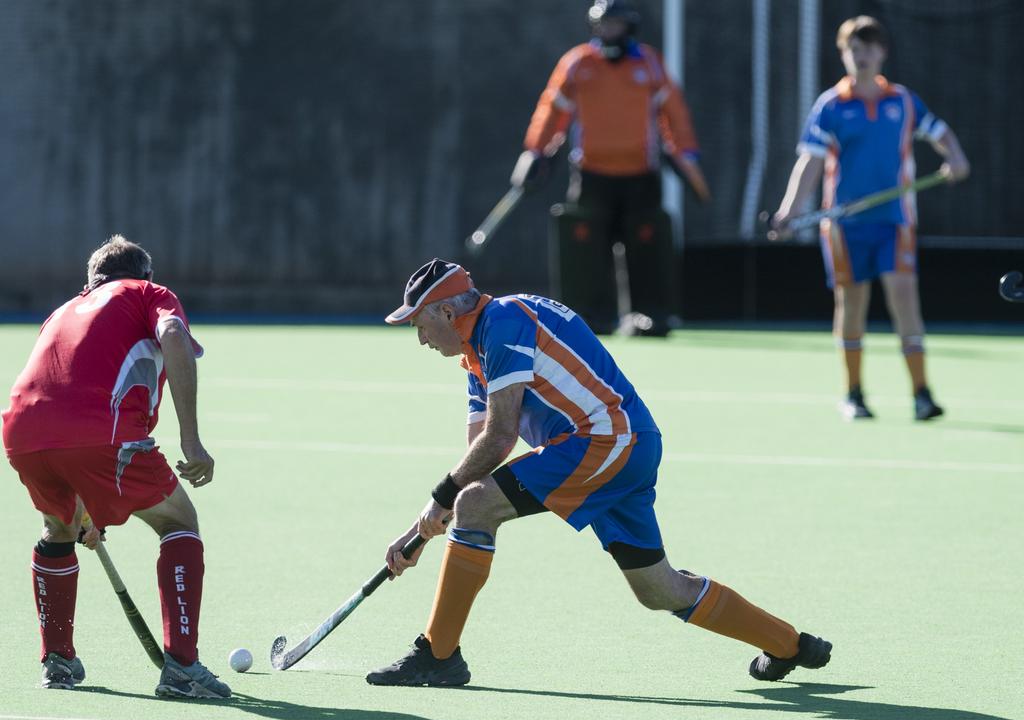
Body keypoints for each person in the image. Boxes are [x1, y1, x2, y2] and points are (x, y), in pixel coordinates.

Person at [367, 258, 831, 686]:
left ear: (447, 312)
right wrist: (421, 531)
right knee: (658, 588)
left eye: (419, 323)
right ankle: (789, 645)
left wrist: (444, 501)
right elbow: (476, 455)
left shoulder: (503, 323)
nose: (420, 338)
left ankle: (439, 655)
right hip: (620, 446)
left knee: (475, 504)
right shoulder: (477, 353)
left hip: (606, 442)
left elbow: (500, 439)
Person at [2, 235, 230, 698]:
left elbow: (65, 389)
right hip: (100, 434)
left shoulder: (62, 311)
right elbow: (173, 336)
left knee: (59, 530)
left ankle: (58, 661)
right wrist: (191, 439)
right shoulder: (149, 294)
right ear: (144, 275)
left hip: (22, 433)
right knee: (178, 521)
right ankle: (183, 667)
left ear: (91, 281)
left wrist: (87, 499)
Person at [771, 15, 970, 421]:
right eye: (853, 49)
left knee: (903, 297)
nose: (861, 56)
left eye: (868, 48)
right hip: (845, 226)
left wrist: (956, 158)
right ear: (843, 54)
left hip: (895, 221)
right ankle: (854, 393)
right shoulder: (831, 106)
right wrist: (789, 210)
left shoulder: (903, 100)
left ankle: (921, 393)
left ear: (882, 52)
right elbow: (809, 161)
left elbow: (940, 132)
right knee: (852, 302)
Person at [511, 0, 710, 337]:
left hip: (641, 174)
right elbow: (552, 109)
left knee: (645, 247)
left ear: (629, 27)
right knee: (588, 250)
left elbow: (673, 112)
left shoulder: (649, 63)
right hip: (591, 173)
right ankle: (592, 317)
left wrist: (685, 152)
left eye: (616, 24)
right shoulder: (577, 63)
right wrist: (535, 150)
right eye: (604, 24)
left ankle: (649, 314)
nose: (610, 30)